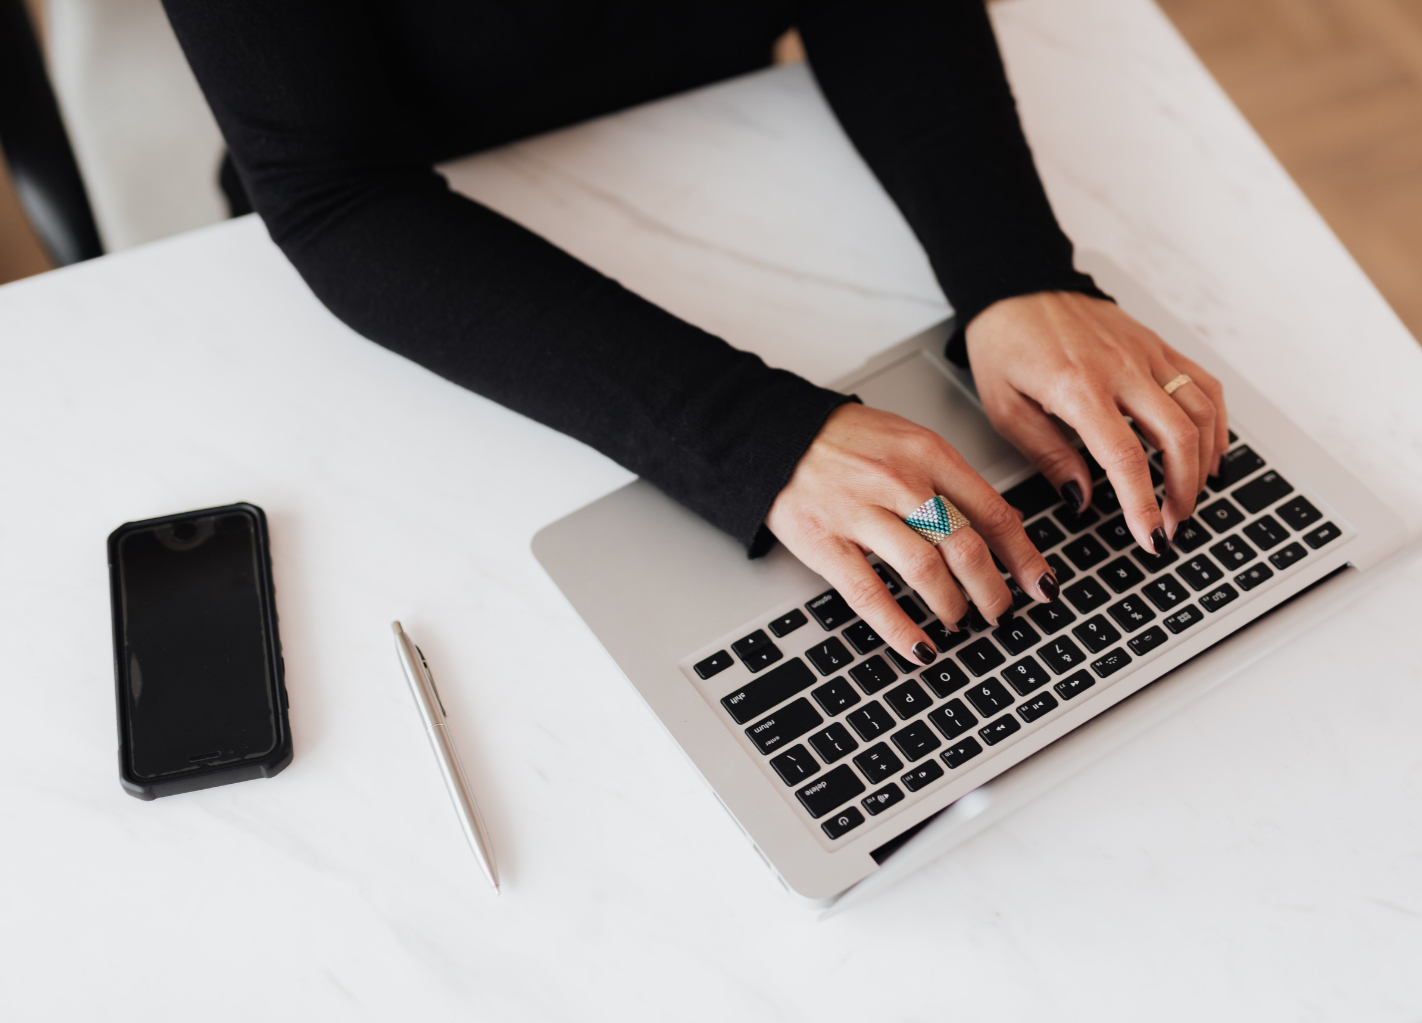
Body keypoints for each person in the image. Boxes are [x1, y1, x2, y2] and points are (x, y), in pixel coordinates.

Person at [161, 0, 1227, 668]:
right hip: (430, 257)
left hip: (733, 132)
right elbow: (334, 193)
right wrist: (759, 438)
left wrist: (1013, 275)